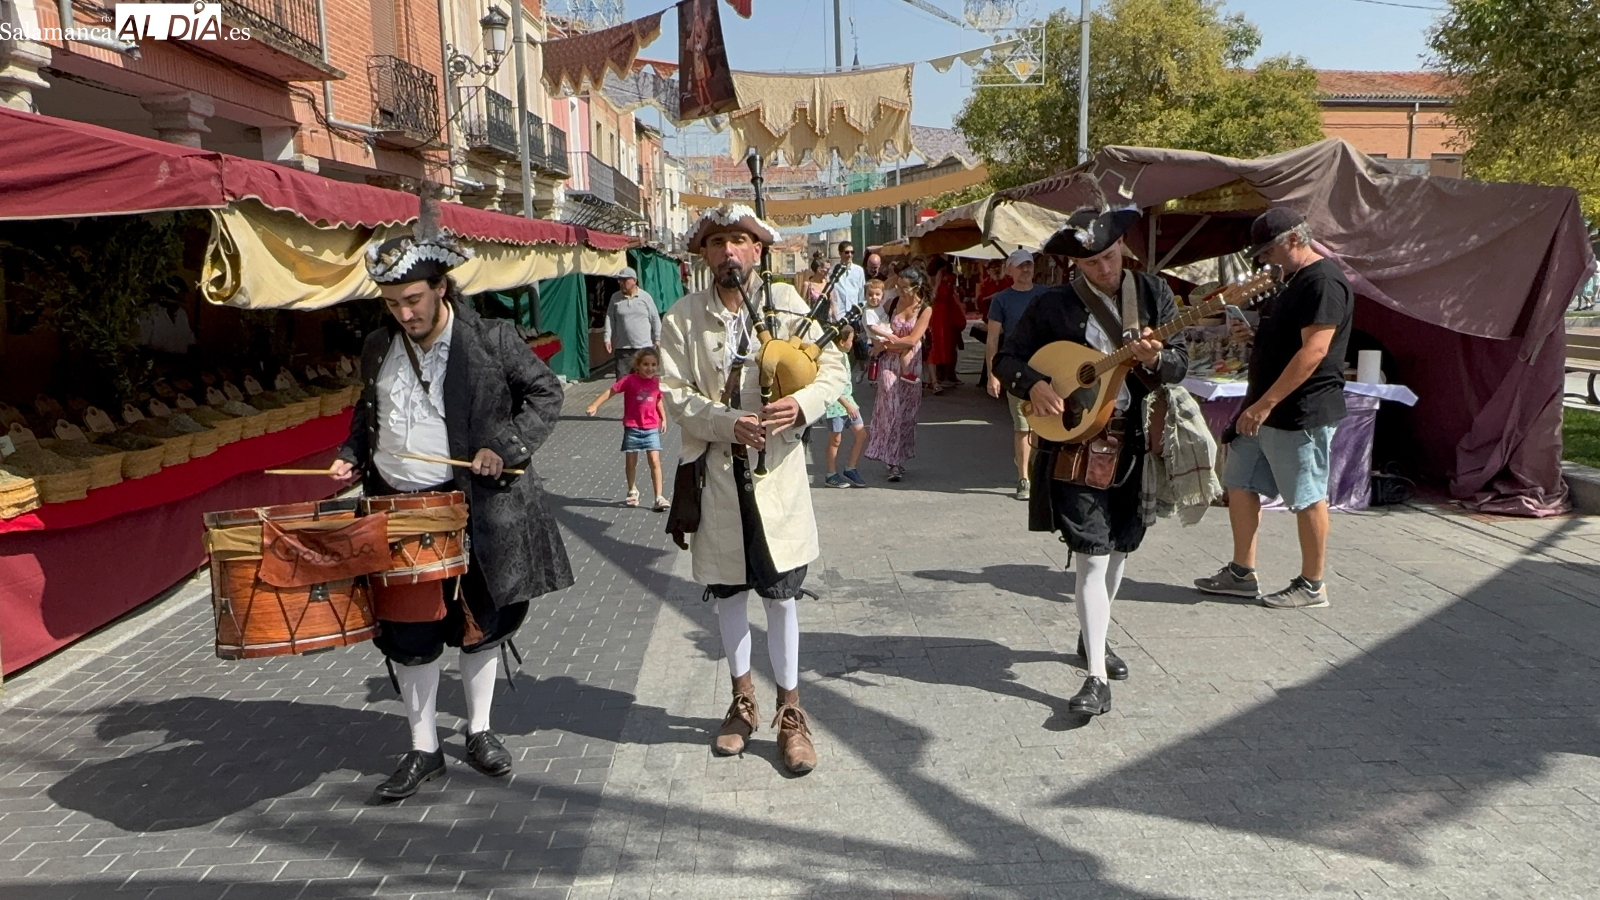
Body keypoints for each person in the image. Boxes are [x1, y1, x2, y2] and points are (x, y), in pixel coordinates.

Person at [334, 202, 573, 800]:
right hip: (398, 507)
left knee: (480, 623)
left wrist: (505, 447)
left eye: (413, 299)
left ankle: (482, 730)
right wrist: (353, 454)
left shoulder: (491, 338)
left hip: (477, 506)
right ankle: (422, 749)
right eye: (392, 303)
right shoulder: (376, 347)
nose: (404, 312)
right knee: (408, 632)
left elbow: (545, 392)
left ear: (441, 288)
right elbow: (370, 415)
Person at [658, 204, 848, 775]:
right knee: (729, 594)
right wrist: (724, 422)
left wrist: (803, 404)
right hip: (717, 474)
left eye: (739, 241)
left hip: (779, 476)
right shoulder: (682, 318)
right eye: (717, 243)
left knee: (782, 596)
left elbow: (835, 368)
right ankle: (742, 702)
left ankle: (792, 713)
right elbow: (673, 393)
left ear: (758, 251)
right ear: (705, 255)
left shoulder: (789, 307)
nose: (728, 252)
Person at [993, 201, 1188, 719]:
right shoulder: (1052, 305)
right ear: (1075, 265)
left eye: (1110, 256)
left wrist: (1158, 359)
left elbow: (1180, 364)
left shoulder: (1153, 293)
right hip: (1075, 444)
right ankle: (1095, 678)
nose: (1106, 268)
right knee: (1092, 553)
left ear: (1122, 244)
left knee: (1122, 547)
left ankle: (1091, 638)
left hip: (1133, 440)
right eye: (1093, 263)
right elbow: (1007, 360)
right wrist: (1033, 386)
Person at [1194, 208, 1353, 609]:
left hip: (1299, 411)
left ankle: (1313, 584)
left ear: (1294, 240)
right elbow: (1286, 343)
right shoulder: (1293, 281)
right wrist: (1253, 337)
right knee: (1239, 481)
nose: (1263, 259)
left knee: (1306, 496)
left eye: (1268, 250)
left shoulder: (1322, 281)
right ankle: (1242, 572)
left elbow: (1314, 351)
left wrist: (1266, 404)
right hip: (1266, 408)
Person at [985, 249, 1050, 501]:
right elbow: (992, 340)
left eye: (1029, 265)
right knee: (1023, 425)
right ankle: (1024, 478)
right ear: (1010, 270)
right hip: (1016, 368)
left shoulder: (1045, 294)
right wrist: (993, 374)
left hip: (1045, 367)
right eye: (1021, 266)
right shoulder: (1001, 300)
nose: (1026, 270)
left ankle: (1034, 469)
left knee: (1043, 424)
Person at [864, 265, 934, 482]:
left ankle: (899, 457)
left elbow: (913, 340)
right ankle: (890, 460)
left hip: (909, 365)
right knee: (891, 410)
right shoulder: (892, 302)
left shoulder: (925, 309)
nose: (900, 291)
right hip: (889, 364)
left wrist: (887, 344)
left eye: (905, 288)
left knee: (906, 414)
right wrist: (878, 342)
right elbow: (876, 324)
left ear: (917, 286)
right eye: (898, 286)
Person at [586, 348, 669, 511]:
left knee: (654, 461)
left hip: (651, 427)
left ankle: (659, 496)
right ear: (637, 365)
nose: (649, 368)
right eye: (645, 364)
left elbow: (658, 400)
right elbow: (611, 391)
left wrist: (663, 418)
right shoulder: (630, 380)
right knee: (631, 462)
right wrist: (595, 405)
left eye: (653, 365)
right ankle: (632, 490)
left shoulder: (657, 382)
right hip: (633, 427)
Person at [821, 340, 869, 488]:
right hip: (836, 405)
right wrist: (846, 405)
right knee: (835, 440)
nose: (852, 343)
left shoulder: (845, 355)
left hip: (849, 402)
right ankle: (830, 474)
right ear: (842, 341)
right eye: (850, 340)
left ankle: (851, 468)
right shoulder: (832, 358)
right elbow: (831, 385)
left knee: (861, 434)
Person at [603, 266, 660, 378]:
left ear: (634, 280)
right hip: (623, 349)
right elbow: (610, 318)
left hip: (643, 348)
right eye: (620, 280)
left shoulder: (645, 297)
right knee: (623, 382)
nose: (622, 283)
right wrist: (607, 338)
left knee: (644, 381)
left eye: (625, 280)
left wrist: (658, 338)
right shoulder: (615, 297)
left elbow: (655, 318)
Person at [924, 257, 964, 392]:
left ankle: (936, 377)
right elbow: (931, 297)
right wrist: (938, 283)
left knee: (944, 344)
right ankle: (935, 378)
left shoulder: (948, 280)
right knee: (934, 343)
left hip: (945, 314)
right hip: (935, 314)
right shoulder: (930, 280)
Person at [830, 240, 866, 321]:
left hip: (854, 315)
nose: (849, 255)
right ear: (840, 253)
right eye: (847, 252)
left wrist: (860, 310)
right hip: (839, 315)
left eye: (852, 252)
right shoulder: (833, 270)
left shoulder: (859, 270)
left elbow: (861, 292)